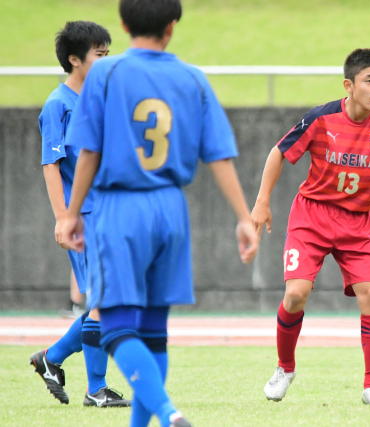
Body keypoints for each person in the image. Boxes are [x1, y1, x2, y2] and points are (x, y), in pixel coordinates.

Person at [57, 1, 259, 426]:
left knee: (114, 327)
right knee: (154, 333)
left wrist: (71, 213)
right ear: (171, 27)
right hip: (171, 208)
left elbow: (89, 150)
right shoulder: (191, 77)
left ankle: (167, 414)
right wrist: (243, 216)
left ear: (124, 24)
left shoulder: (105, 74)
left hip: (120, 206)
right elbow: (219, 154)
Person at [252, 48, 370, 405]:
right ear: (349, 85)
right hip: (311, 217)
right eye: (369, 81)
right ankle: (285, 368)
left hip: (357, 224)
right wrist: (262, 201)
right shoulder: (321, 118)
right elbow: (279, 152)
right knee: (296, 294)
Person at [31, 20, 130, 408]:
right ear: (74, 59)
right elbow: (51, 165)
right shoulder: (58, 105)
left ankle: (52, 358)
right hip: (84, 217)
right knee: (105, 302)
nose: (107, 61)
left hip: (110, 212)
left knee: (111, 302)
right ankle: (95, 389)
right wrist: (62, 217)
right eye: (99, 55)